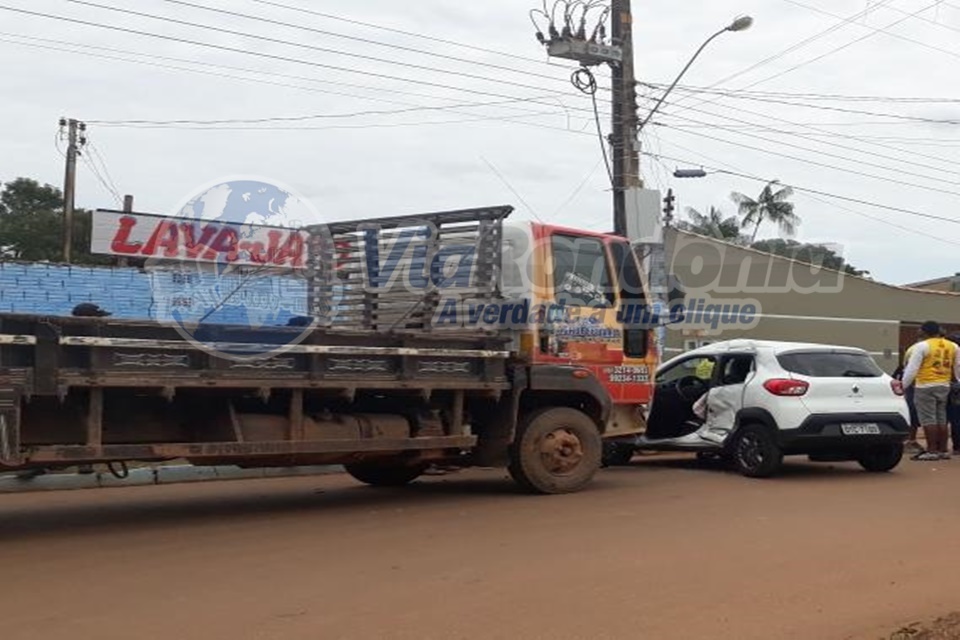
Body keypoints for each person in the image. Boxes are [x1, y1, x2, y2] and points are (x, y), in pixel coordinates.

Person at [901, 321, 960, 461]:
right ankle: (943, 450)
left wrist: (903, 386)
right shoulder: (953, 346)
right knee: (942, 418)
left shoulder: (922, 346)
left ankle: (931, 450)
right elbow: (958, 366)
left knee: (928, 419)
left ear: (925, 331)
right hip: (944, 385)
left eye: (920, 329)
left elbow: (912, 369)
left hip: (925, 385)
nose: (918, 331)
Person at [893, 344, 922, 453]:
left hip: (916, 384)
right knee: (912, 411)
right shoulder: (919, 348)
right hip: (917, 383)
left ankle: (911, 440)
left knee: (912, 411)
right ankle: (910, 440)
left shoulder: (915, 348)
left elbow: (905, 366)